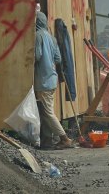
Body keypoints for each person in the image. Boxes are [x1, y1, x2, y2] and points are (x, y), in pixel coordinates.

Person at [34, 11, 73, 149]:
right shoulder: (52, 38)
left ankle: (64, 138)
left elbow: (37, 56)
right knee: (47, 112)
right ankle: (48, 141)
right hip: (52, 79)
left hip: (42, 81)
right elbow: (58, 59)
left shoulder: (38, 36)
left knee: (48, 113)